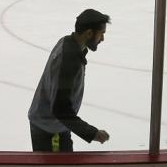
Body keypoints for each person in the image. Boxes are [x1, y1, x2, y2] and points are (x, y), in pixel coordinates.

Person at [28, 9, 112, 152]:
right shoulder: (69, 60)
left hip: (57, 124)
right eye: (101, 33)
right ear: (89, 33)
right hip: (50, 130)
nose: (102, 39)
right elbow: (60, 109)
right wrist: (93, 133)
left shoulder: (67, 41)